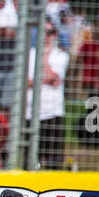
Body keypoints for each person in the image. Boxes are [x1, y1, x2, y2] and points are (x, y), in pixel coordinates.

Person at [25, 23, 70, 168]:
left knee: (53, 159)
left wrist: (43, 58)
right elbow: (25, 82)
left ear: (55, 34)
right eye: (42, 32)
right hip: (30, 112)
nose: (46, 36)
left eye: (49, 32)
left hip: (52, 112)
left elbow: (56, 79)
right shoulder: (30, 54)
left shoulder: (61, 55)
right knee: (29, 158)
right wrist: (46, 79)